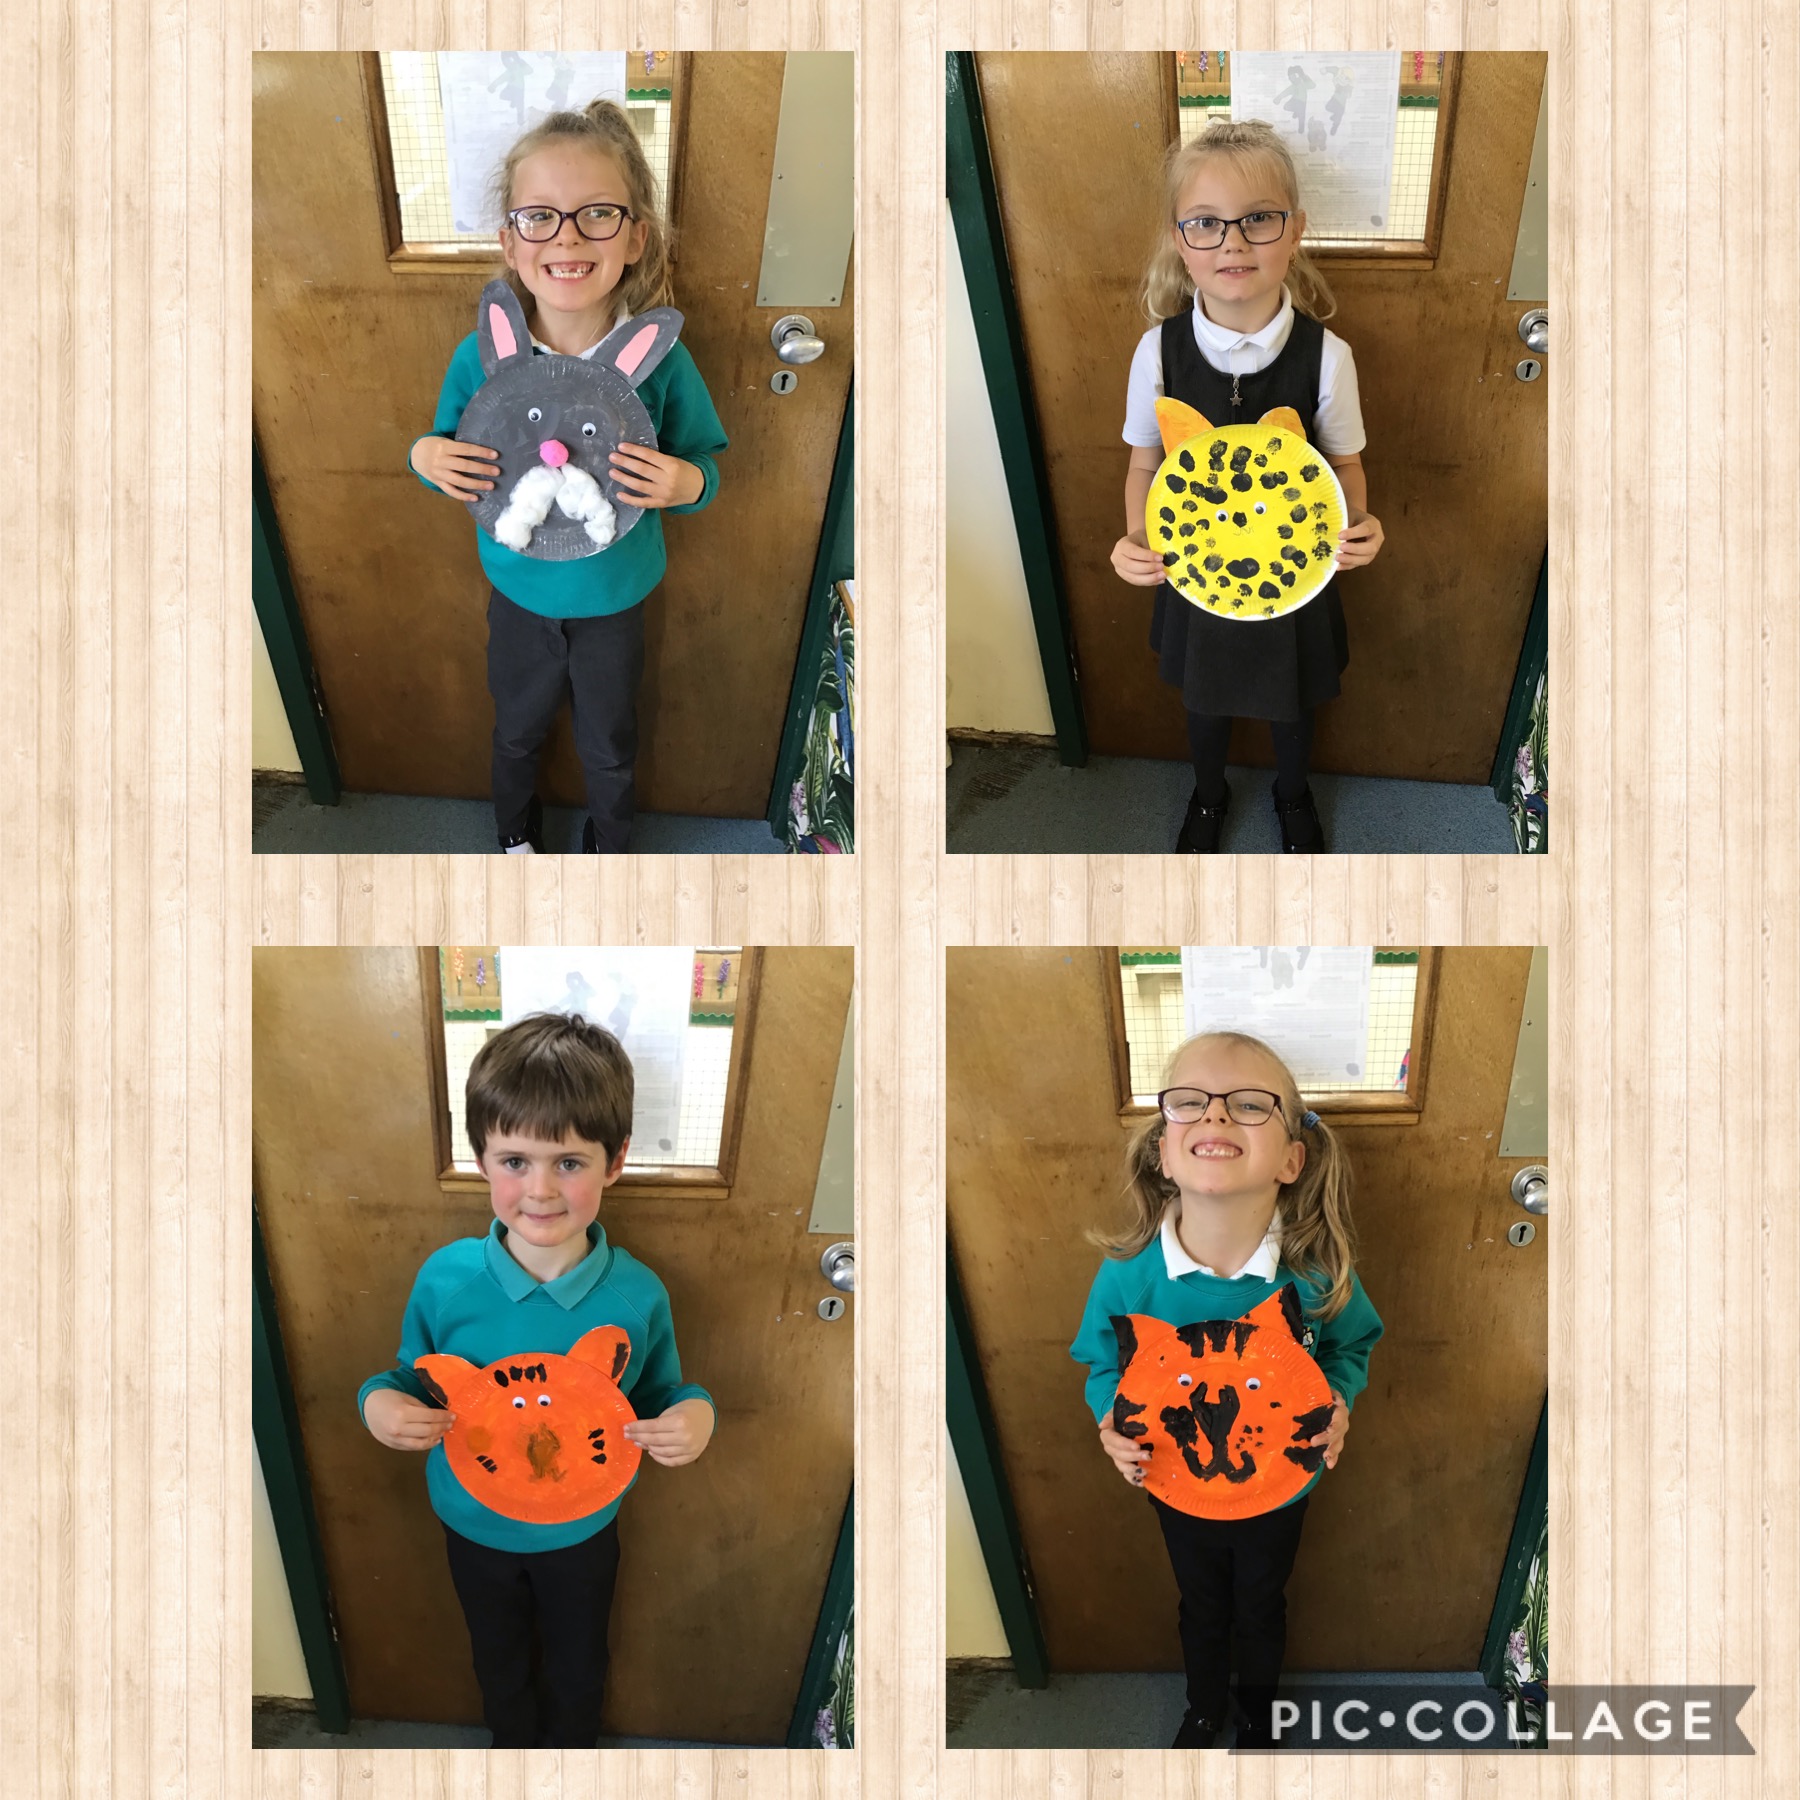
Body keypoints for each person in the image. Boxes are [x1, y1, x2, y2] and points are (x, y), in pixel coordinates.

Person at [359, 1011, 716, 1747]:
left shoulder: (636, 1295)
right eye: (515, 1160)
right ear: (481, 1159)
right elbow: (410, 1376)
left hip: (583, 1529)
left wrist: (696, 1416)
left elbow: (659, 1394)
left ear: (614, 1161)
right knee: (498, 1661)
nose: (541, 1190)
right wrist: (380, 1405)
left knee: (579, 1666)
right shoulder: (447, 1281)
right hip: (473, 1524)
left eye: (570, 1163)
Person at [408, 101, 728, 854]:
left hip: (615, 599)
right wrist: (425, 456)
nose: (568, 237)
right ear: (510, 243)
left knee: (610, 744)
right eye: (539, 217)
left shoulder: (661, 360)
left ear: (636, 237)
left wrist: (688, 485)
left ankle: (611, 846)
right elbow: (450, 451)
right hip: (518, 595)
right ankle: (513, 834)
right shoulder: (481, 356)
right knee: (515, 731)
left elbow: (704, 460)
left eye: (598, 214)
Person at [1071, 1030, 1383, 1748]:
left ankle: (1262, 1714)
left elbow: (1351, 1345)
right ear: (1163, 1150)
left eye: (1247, 1105)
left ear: (1291, 1159)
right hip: (1175, 1482)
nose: (1214, 1114)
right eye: (1190, 1102)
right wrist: (1110, 1421)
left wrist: (1338, 1402)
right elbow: (1102, 1365)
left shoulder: (1315, 1276)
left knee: (1262, 1603)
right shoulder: (1129, 1277)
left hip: (1281, 1484)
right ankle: (1205, 1708)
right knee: (1202, 1604)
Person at [1110, 121, 1385, 853]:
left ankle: (1293, 792)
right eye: (1206, 223)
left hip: (1294, 571)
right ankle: (1208, 796)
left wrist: (1360, 523)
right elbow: (1143, 466)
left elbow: (1344, 465)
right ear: (1179, 240)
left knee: (1293, 699)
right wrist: (1137, 539)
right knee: (1203, 698)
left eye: (1258, 219)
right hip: (1197, 570)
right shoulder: (1157, 351)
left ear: (1295, 231)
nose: (1232, 243)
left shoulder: (1328, 357)